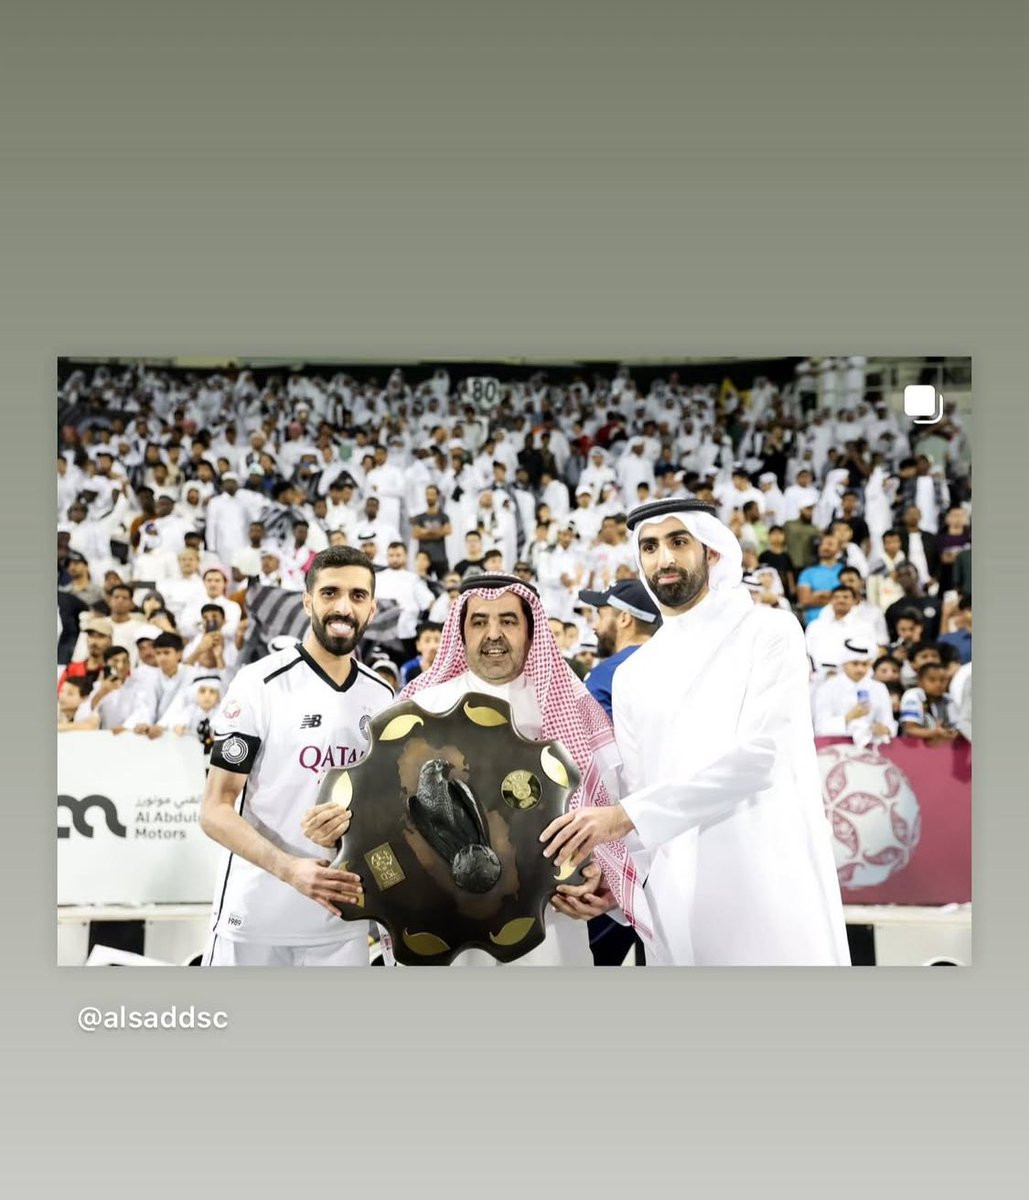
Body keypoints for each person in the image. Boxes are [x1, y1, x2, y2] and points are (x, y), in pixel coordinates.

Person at [541, 499, 849, 966]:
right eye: (650, 547)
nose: (663, 558)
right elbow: (640, 795)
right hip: (675, 902)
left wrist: (623, 817)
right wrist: (619, 884)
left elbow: (760, 758)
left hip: (768, 886)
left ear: (713, 551)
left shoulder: (768, 631)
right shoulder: (634, 674)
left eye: (678, 542)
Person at [310, 574, 653, 966]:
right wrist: (331, 828)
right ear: (461, 631)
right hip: (441, 929)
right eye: (479, 621)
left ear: (530, 630)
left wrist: (605, 881)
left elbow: (618, 810)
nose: (493, 634)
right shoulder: (420, 706)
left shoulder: (572, 707)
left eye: (508, 620)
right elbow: (372, 811)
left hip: (548, 930)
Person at [199, 546, 395, 967]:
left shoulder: (383, 696)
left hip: (341, 925)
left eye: (358, 595)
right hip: (255, 920)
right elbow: (214, 810)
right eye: (330, 593)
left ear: (372, 608)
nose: (343, 607)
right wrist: (289, 868)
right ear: (307, 601)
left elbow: (390, 809)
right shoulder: (259, 684)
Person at [811, 641, 896, 745]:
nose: (860, 669)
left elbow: (889, 724)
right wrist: (848, 718)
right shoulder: (827, 688)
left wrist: (885, 729)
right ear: (844, 664)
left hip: (872, 747)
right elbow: (820, 728)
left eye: (865, 664)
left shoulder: (879, 688)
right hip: (835, 747)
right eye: (855, 664)